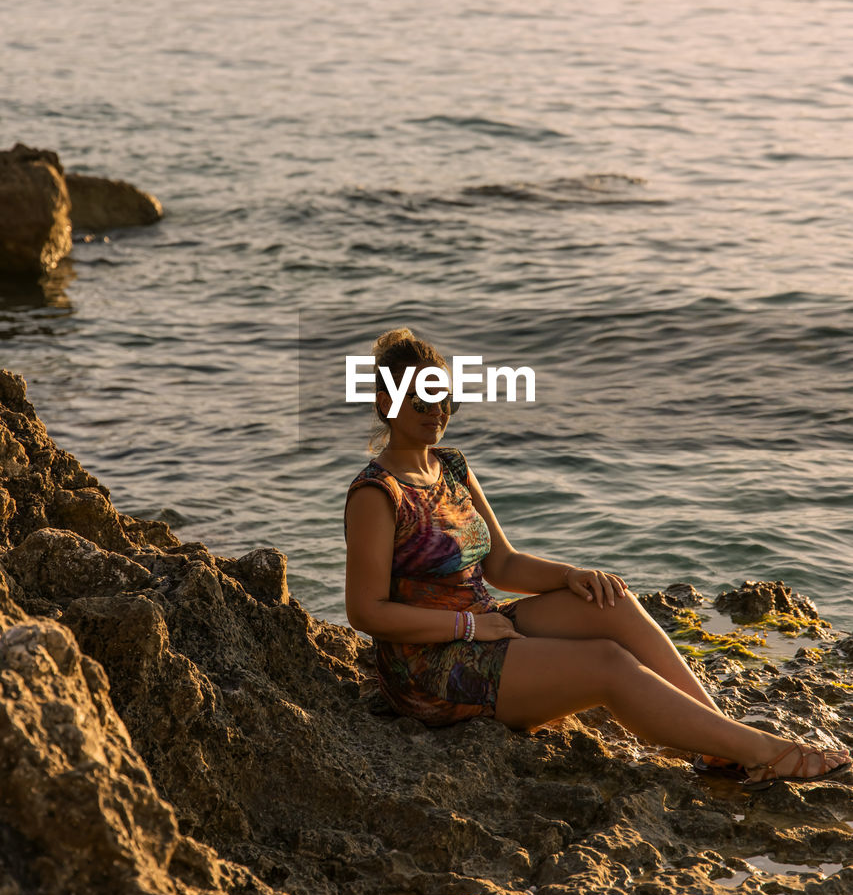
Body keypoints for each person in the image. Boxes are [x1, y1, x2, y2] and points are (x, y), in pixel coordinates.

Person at [344, 328, 850, 787]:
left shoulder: (451, 466)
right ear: (388, 403)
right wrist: (468, 629)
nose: (437, 409)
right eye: (422, 398)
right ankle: (765, 753)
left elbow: (503, 566)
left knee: (610, 601)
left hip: (482, 628)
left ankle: (720, 742)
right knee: (607, 664)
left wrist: (573, 575)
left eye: (445, 396)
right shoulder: (377, 493)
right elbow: (366, 613)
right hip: (431, 671)